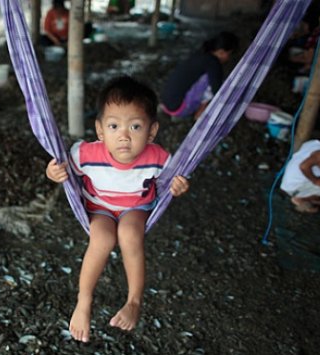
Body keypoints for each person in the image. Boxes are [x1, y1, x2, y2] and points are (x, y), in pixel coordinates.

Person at [46, 76, 190, 342]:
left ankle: (134, 301)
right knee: (102, 238)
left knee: (129, 236)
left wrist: (180, 187)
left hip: (135, 207)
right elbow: (61, 167)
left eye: (135, 126)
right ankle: (84, 301)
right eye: (114, 126)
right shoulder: (86, 154)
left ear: (152, 131)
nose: (124, 135)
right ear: (100, 131)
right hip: (99, 206)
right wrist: (52, 172)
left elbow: (173, 182)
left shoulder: (159, 158)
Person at [160, 31, 239, 120]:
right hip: (179, 108)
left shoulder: (200, 54)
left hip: (166, 103)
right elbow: (218, 92)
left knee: (208, 79)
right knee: (212, 82)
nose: (229, 58)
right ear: (221, 52)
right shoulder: (213, 63)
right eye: (229, 54)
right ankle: (198, 113)